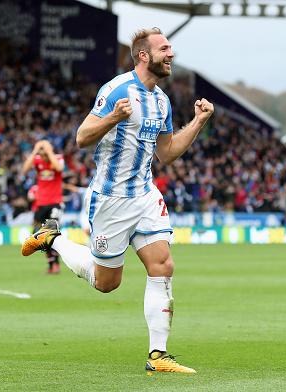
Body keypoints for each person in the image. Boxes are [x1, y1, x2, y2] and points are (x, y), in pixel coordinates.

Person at [21, 27, 214, 373]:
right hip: (111, 199)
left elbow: (167, 154)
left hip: (144, 194)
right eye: (165, 49)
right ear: (144, 55)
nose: (171, 55)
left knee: (163, 265)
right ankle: (54, 238)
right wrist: (113, 117)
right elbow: (81, 137)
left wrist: (198, 122)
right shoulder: (116, 90)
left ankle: (158, 355)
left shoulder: (162, 100)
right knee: (107, 283)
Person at [22, 140, 65, 274]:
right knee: (39, 235)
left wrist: (49, 151)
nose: (43, 150)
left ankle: (56, 264)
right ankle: (51, 263)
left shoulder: (57, 158)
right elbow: (24, 170)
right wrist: (35, 151)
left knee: (52, 233)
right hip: (41, 204)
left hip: (55, 203)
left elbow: (59, 168)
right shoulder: (37, 160)